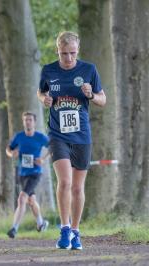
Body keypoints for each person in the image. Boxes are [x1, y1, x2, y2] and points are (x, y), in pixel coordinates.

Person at [37, 31, 106, 250]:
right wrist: (44, 99)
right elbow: (41, 92)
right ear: (57, 50)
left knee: (77, 187)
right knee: (64, 182)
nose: (68, 58)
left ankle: (76, 231)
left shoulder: (89, 70)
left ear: (78, 50)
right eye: (64, 53)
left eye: (72, 53)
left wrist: (91, 95)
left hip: (81, 135)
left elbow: (103, 100)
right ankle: (64, 230)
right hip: (57, 134)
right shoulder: (48, 70)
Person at [6, 112, 50, 239]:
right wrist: (11, 154)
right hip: (22, 173)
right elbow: (8, 149)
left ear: (34, 122)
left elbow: (53, 148)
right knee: (31, 201)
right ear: (23, 122)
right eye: (25, 120)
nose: (27, 122)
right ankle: (41, 223)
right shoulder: (19, 137)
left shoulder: (40, 137)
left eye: (30, 120)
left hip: (35, 173)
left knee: (22, 198)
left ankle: (14, 228)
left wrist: (43, 159)